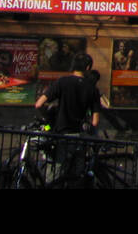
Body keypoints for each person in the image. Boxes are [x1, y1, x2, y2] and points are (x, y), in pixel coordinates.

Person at [35, 52, 101, 180]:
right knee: (77, 175)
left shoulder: (62, 82)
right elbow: (95, 120)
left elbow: (39, 104)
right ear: (87, 68)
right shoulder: (92, 88)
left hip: (62, 134)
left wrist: (49, 118)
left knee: (57, 174)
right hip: (80, 136)